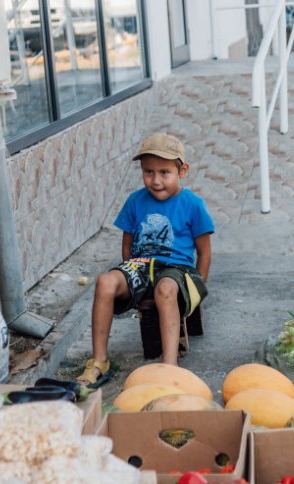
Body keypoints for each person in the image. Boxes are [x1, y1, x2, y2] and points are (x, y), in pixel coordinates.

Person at [76, 133, 215, 388]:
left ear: (182, 170)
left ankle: (170, 366)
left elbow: (204, 252)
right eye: (148, 172)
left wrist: (198, 288)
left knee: (165, 289)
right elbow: (127, 243)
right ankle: (99, 360)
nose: (156, 180)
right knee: (106, 282)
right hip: (140, 265)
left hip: (177, 269)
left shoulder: (193, 204)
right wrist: (129, 276)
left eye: (164, 172)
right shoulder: (135, 200)